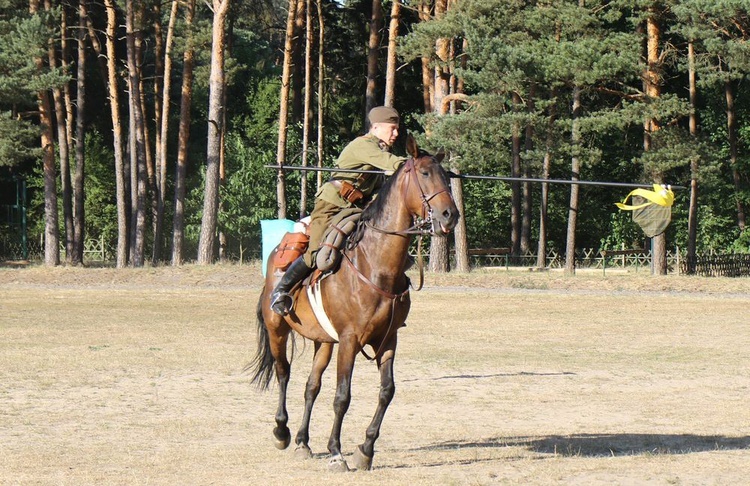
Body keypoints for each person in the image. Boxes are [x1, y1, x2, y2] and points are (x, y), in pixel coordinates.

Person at [270, 106, 408, 315]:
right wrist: (420, 164)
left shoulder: (379, 151)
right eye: (392, 128)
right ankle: (281, 291)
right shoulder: (364, 146)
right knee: (316, 253)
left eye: (397, 129)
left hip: (356, 209)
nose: (396, 134)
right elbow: (391, 164)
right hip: (332, 205)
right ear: (377, 127)